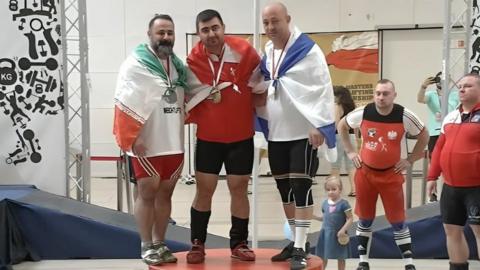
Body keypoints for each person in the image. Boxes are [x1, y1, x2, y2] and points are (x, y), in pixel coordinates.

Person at [258, 3, 337, 269]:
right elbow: (261, 82)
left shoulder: (308, 50)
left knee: (301, 187)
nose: (270, 27)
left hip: (302, 133)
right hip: (277, 133)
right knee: (284, 190)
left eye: (275, 21)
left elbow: (322, 87)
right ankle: (295, 241)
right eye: (266, 23)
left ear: (288, 20)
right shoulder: (268, 52)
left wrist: (318, 124)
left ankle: (302, 247)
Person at [184, 9, 262, 264]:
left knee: (239, 190)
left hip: (241, 137)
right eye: (205, 30)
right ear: (199, 34)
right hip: (208, 138)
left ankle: (239, 242)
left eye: (215, 28)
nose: (211, 34)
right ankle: (197, 243)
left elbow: (262, 82)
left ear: (223, 27)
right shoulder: (193, 60)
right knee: (204, 190)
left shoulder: (245, 52)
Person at [112, 14, 187, 266]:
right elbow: (123, 100)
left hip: (173, 141)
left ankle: (160, 243)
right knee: (147, 193)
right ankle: (146, 245)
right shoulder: (135, 64)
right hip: (147, 142)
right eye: (161, 32)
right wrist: (133, 137)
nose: (166, 37)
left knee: (166, 193)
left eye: (170, 33)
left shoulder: (178, 66)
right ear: (150, 34)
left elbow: (190, 94)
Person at [338, 79, 429, 270]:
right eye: (378, 93)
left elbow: (424, 135)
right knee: (365, 219)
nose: (381, 97)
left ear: (394, 95)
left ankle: (409, 263)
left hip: (391, 176)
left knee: (397, 220)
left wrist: (410, 160)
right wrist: (351, 152)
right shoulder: (363, 112)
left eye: (386, 93)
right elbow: (342, 126)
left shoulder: (404, 115)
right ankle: (363, 262)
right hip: (365, 175)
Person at [427, 73, 480, 270]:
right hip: (451, 187)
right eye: (460, 86)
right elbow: (440, 147)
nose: (462, 89)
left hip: (476, 187)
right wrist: (432, 176)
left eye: (468, 86)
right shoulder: (451, 116)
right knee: (451, 230)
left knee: (479, 231)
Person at [314, 176, 353, 270]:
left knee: (341, 257)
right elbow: (325, 218)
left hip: (339, 234)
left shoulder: (344, 204)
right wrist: (314, 217)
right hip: (326, 233)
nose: (330, 192)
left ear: (340, 189)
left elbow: (350, 218)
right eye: (328, 189)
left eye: (334, 189)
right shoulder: (325, 203)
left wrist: (343, 230)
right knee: (323, 255)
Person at [417, 71, 459, 158]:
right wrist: (423, 87)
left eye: (446, 79)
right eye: (440, 79)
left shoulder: (455, 94)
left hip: (452, 130)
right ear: (436, 81)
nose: (442, 81)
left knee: (450, 158)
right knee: (434, 159)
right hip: (435, 132)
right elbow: (420, 99)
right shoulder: (431, 95)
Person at [330, 86, 357, 197]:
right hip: (351, 136)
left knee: (335, 166)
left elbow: (336, 122)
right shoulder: (352, 106)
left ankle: (334, 190)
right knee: (351, 166)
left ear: (339, 96)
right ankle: (355, 189)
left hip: (339, 136)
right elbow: (355, 124)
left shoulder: (337, 106)